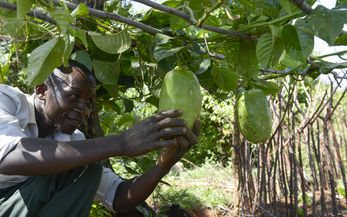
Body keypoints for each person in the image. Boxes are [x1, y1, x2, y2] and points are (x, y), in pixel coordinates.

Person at [0, 61, 199, 217]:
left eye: (88, 103)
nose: (83, 110)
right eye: (75, 96)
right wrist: (120, 143)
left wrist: (163, 165)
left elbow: (119, 197)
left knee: (89, 168)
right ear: (42, 90)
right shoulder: (6, 99)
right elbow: (13, 156)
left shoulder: (72, 139)